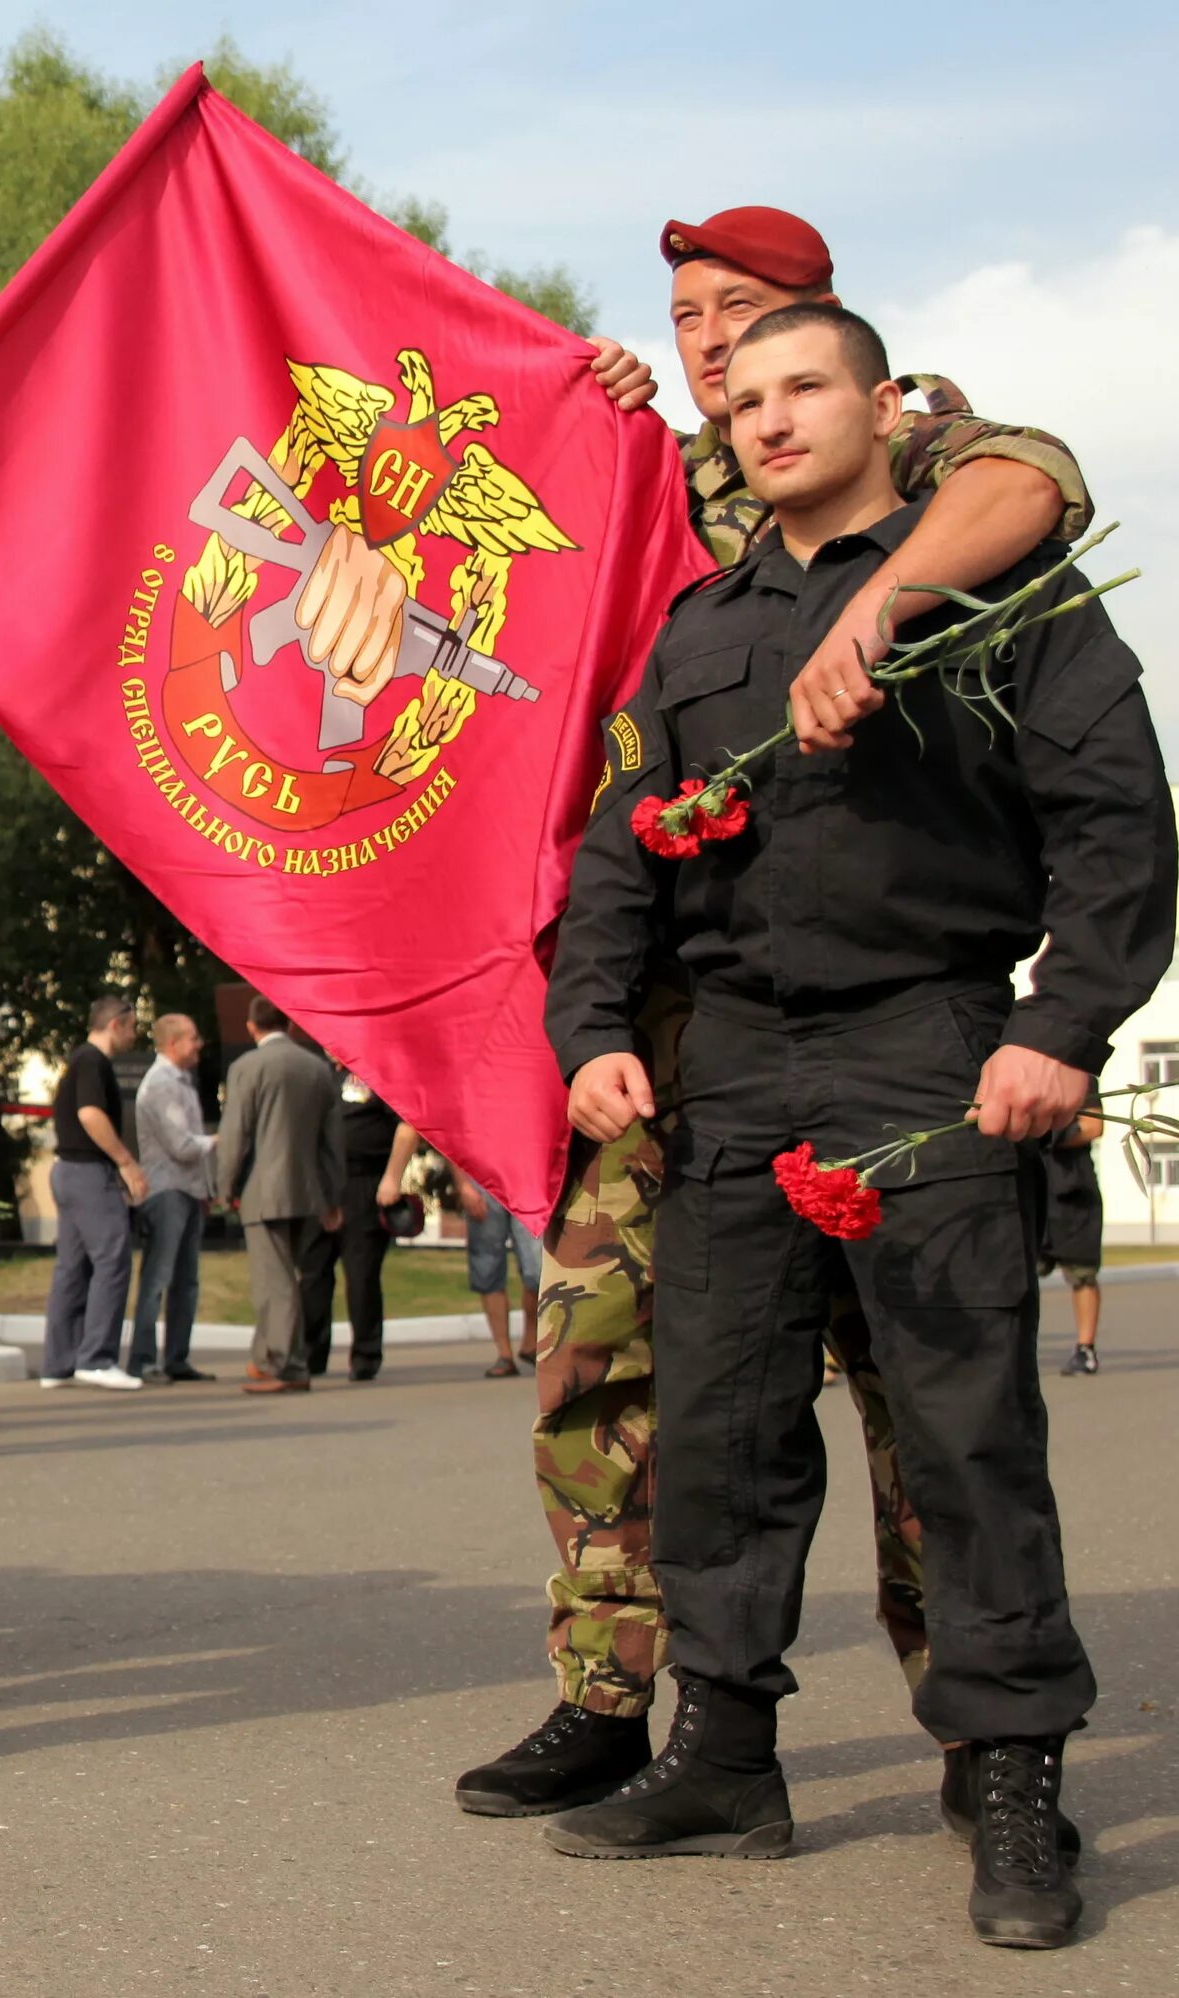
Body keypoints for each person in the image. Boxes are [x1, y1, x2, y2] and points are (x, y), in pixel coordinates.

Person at [538, 303, 1168, 1950]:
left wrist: (1058, 1025)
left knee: (966, 1440)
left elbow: (1118, 820)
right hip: (732, 1067)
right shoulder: (697, 628)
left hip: (931, 1048)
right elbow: (623, 847)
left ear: (886, 403)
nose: (767, 417)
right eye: (740, 400)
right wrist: (592, 1027)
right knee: (723, 1441)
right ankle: (726, 1754)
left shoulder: (987, 575)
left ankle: (1014, 1771)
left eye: (803, 384)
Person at [460, 205, 1095, 1822]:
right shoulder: (660, 501)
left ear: (842, 349)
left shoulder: (923, 453)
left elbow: (1034, 489)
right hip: (696, 1028)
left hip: (898, 1024)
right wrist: (559, 398)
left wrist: (878, 608)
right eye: (689, 323)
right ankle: (647, 1704)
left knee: (933, 1403)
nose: (722, 352)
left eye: (748, 316)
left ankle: (984, 1734)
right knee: (648, 1378)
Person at [212, 993, 344, 1396]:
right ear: (289, 1025)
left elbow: (235, 1134)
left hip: (263, 1190)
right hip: (307, 1191)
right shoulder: (317, 1068)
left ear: (252, 1027)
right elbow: (331, 1140)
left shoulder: (247, 1067)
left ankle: (287, 1364)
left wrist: (225, 1186)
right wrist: (332, 1196)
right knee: (285, 1275)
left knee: (276, 1280)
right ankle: (267, 1356)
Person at [39, 998, 148, 1391]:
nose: (135, 1035)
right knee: (112, 1258)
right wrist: (126, 1162)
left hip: (67, 1171)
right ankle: (97, 1358)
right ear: (116, 1024)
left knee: (72, 1265)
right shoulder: (93, 1061)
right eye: (132, 1026)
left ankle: (58, 1363)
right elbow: (90, 1114)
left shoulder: (78, 1059)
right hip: (88, 1172)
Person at [128, 1015, 217, 1384]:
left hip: (188, 1191)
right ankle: (144, 1359)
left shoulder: (181, 1081)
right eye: (193, 1039)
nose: (199, 1045)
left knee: (186, 1280)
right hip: (167, 1192)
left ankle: (177, 1358)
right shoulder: (161, 1085)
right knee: (159, 1277)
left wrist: (206, 1189)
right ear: (172, 1044)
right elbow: (181, 1146)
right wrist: (220, 1141)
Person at [328, 1076, 404, 1380]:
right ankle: (311, 1352)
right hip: (324, 1181)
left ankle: (365, 1355)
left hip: (364, 1180)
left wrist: (392, 1177)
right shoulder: (320, 1073)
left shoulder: (378, 1073)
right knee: (313, 1268)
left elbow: (407, 1124)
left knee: (362, 1272)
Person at [1039, 1110, 1104, 1374]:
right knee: (1014, 1273)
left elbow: (1093, 1126)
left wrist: (1045, 1132)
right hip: (1032, 1182)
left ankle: (1085, 1349)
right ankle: (1012, 1347)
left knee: (1083, 1273)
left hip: (1074, 1190)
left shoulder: (1080, 1073)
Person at [460, 1179, 541, 1379]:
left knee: (538, 1270)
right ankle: (504, 1354)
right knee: (487, 1269)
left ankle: (530, 1343)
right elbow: (454, 1147)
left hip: (526, 1181)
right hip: (481, 1181)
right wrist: (463, 1184)